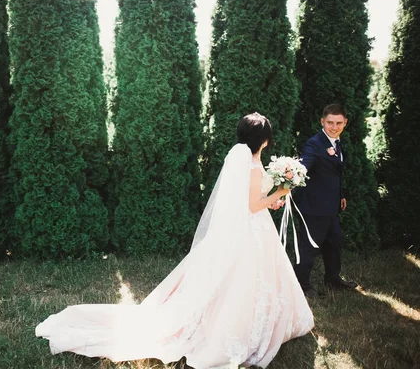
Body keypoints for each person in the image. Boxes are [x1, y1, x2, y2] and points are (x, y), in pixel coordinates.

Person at [35, 113, 314, 368]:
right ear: (265, 140)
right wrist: (281, 192)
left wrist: (274, 197)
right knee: (248, 281)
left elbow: (249, 201)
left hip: (251, 228)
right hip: (252, 230)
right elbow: (254, 205)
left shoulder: (245, 158)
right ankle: (241, 328)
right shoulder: (251, 165)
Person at [293, 104, 358, 298]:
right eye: (330, 122)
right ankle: (302, 285)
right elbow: (306, 163)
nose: (334, 126)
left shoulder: (336, 142)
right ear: (322, 121)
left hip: (331, 206)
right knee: (310, 247)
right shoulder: (314, 144)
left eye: (339, 123)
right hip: (314, 206)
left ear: (345, 123)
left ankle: (333, 278)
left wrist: (341, 195)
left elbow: (334, 173)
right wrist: (295, 171)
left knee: (334, 240)